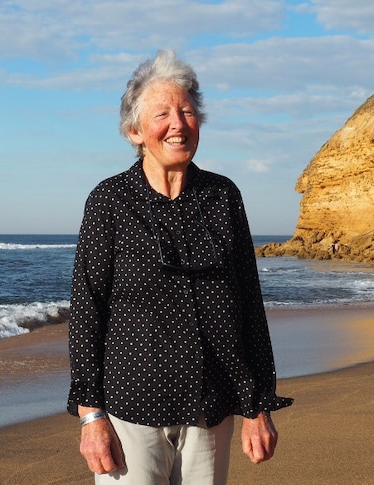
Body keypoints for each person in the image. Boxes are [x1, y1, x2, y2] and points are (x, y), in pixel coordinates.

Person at [68, 50, 293, 485]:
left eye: (187, 111)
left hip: (213, 407)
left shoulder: (223, 197)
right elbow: (86, 312)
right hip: (130, 408)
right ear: (135, 131)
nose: (178, 123)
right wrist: (90, 417)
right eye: (163, 113)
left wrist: (257, 406)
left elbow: (249, 306)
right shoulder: (109, 201)